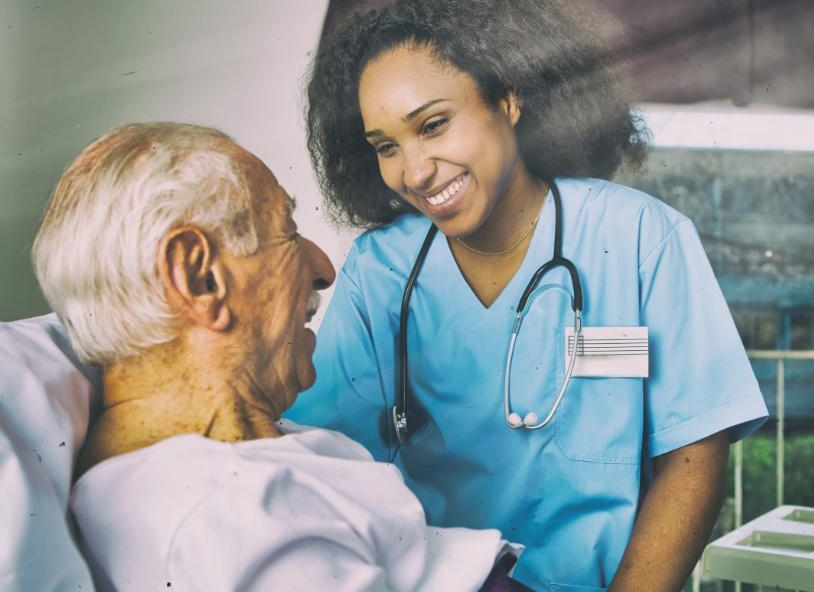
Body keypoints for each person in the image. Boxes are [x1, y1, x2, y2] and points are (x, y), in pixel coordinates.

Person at [285, 0, 770, 590]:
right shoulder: (380, 270)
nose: (413, 171)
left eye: (433, 125)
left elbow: (694, 458)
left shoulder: (639, 236)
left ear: (509, 97)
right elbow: (329, 458)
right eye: (386, 146)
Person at [31, 122, 525, 591]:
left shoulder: (217, 466)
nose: (324, 269)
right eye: (288, 232)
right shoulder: (228, 515)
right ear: (199, 279)